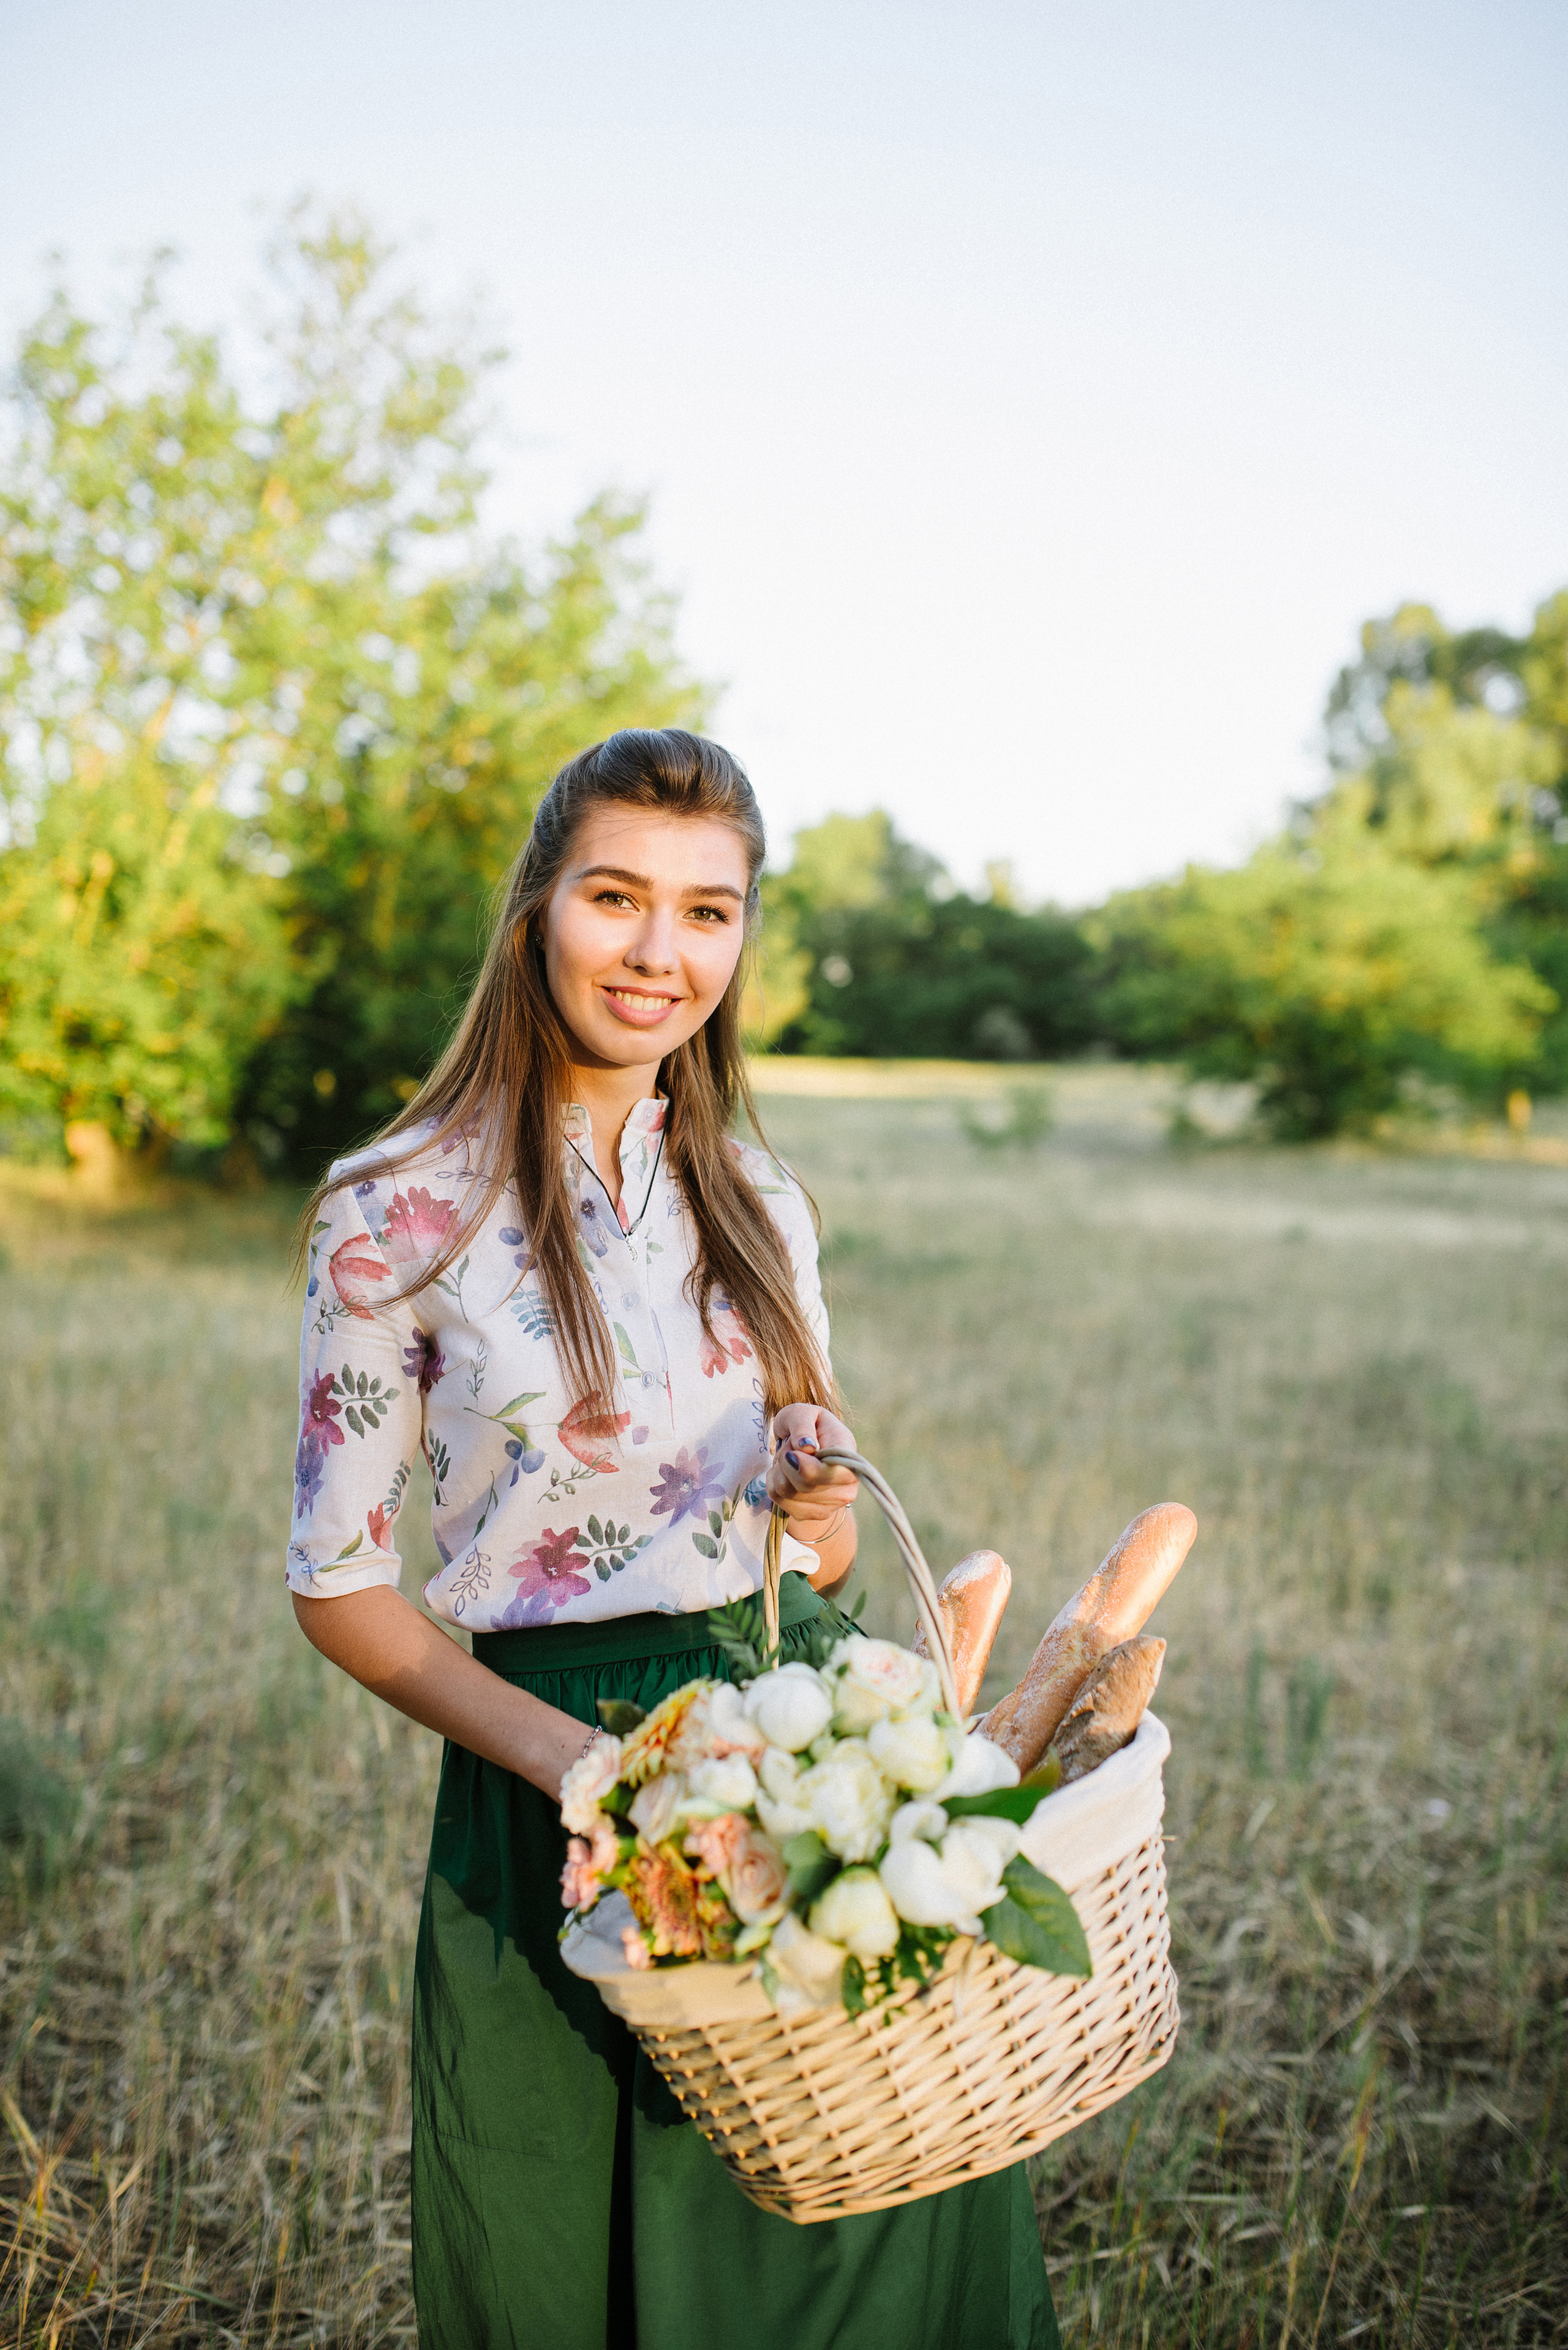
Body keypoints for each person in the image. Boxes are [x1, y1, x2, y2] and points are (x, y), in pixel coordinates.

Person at [287, 728, 1061, 2349]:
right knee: (579, 2242)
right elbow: (341, 1588)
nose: (661, 952)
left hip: (791, 1749)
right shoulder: (392, 1208)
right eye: (619, 897)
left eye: (710, 912)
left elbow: (819, 1558)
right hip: (549, 1782)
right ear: (537, 911)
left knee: (848, 2216)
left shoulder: (765, 1200)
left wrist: (827, 1518)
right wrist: (593, 1771)